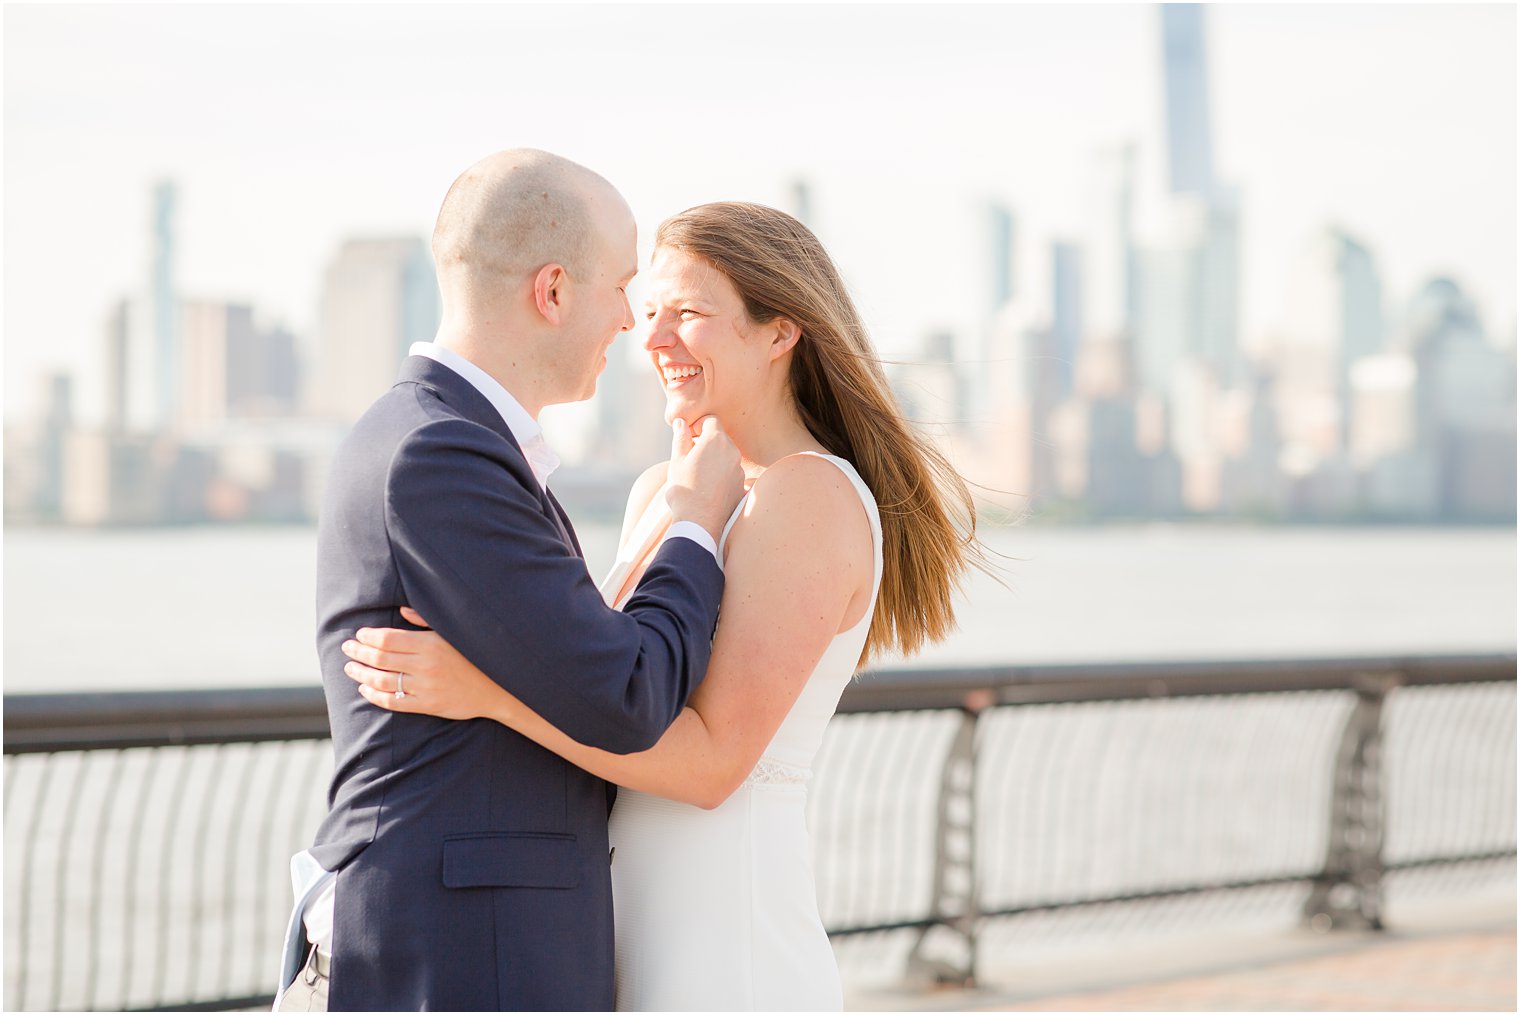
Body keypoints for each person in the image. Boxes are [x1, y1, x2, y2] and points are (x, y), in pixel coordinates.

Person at [340, 201, 985, 1010]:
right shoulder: (664, 493)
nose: (652, 340)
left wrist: (487, 693)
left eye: (688, 314)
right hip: (620, 921)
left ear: (780, 331)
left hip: (722, 933)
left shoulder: (807, 496)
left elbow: (713, 764)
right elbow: (602, 682)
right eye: (647, 313)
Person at [282, 150, 746, 1012]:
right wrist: (694, 521)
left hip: (470, 936)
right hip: (465, 951)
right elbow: (627, 691)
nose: (629, 324)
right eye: (620, 289)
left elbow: (572, 668)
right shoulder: (439, 454)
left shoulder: (441, 438)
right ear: (554, 291)